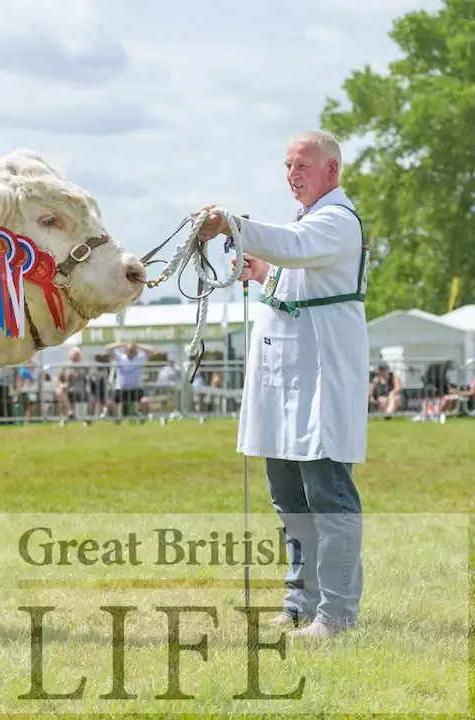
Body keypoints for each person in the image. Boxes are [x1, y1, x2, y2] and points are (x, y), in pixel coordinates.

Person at [194, 129, 368, 640]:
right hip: (286, 381)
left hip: (320, 379)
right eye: (288, 167)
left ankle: (335, 614)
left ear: (332, 171)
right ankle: (299, 602)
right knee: (288, 495)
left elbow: (296, 250)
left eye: (303, 166)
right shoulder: (310, 223)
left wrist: (234, 224)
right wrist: (263, 271)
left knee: (327, 493)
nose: (293, 175)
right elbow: (295, 269)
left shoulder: (337, 221)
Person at [105, 341, 153, 418]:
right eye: (129, 350)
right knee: (109, 403)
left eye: (133, 350)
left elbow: (151, 350)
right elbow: (108, 348)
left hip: (137, 389)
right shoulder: (120, 357)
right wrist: (121, 344)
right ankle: (115, 419)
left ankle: (144, 417)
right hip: (121, 389)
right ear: (126, 350)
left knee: (145, 401)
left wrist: (137, 345)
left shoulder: (140, 358)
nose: (131, 352)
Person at [55, 347, 91, 420]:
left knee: (62, 396)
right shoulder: (65, 367)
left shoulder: (84, 367)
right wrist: (61, 385)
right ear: (71, 355)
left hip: (81, 390)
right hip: (68, 390)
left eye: (78, 354)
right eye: (75, 354)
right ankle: (70, 413)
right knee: (59, 392)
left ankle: (68, 416)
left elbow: (88, 378)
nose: (77, 356)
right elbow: (57, 379)